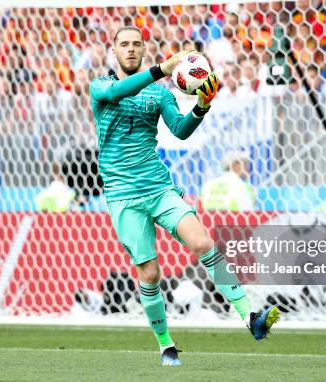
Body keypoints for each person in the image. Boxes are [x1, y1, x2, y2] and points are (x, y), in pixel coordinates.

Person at [89, 26, 279, 367]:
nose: (130, 50)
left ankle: (250, 317)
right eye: (124, 45)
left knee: (203, 243)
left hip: (159, 188)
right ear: (113, 51)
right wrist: (162, 68)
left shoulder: (160, 95)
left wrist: (201, 108)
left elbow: (179, 130)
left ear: (144, 49)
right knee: (149, 275)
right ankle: (166, 345)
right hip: (122, 196)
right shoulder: (101, 87)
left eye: (136, 45)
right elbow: (118, 91)